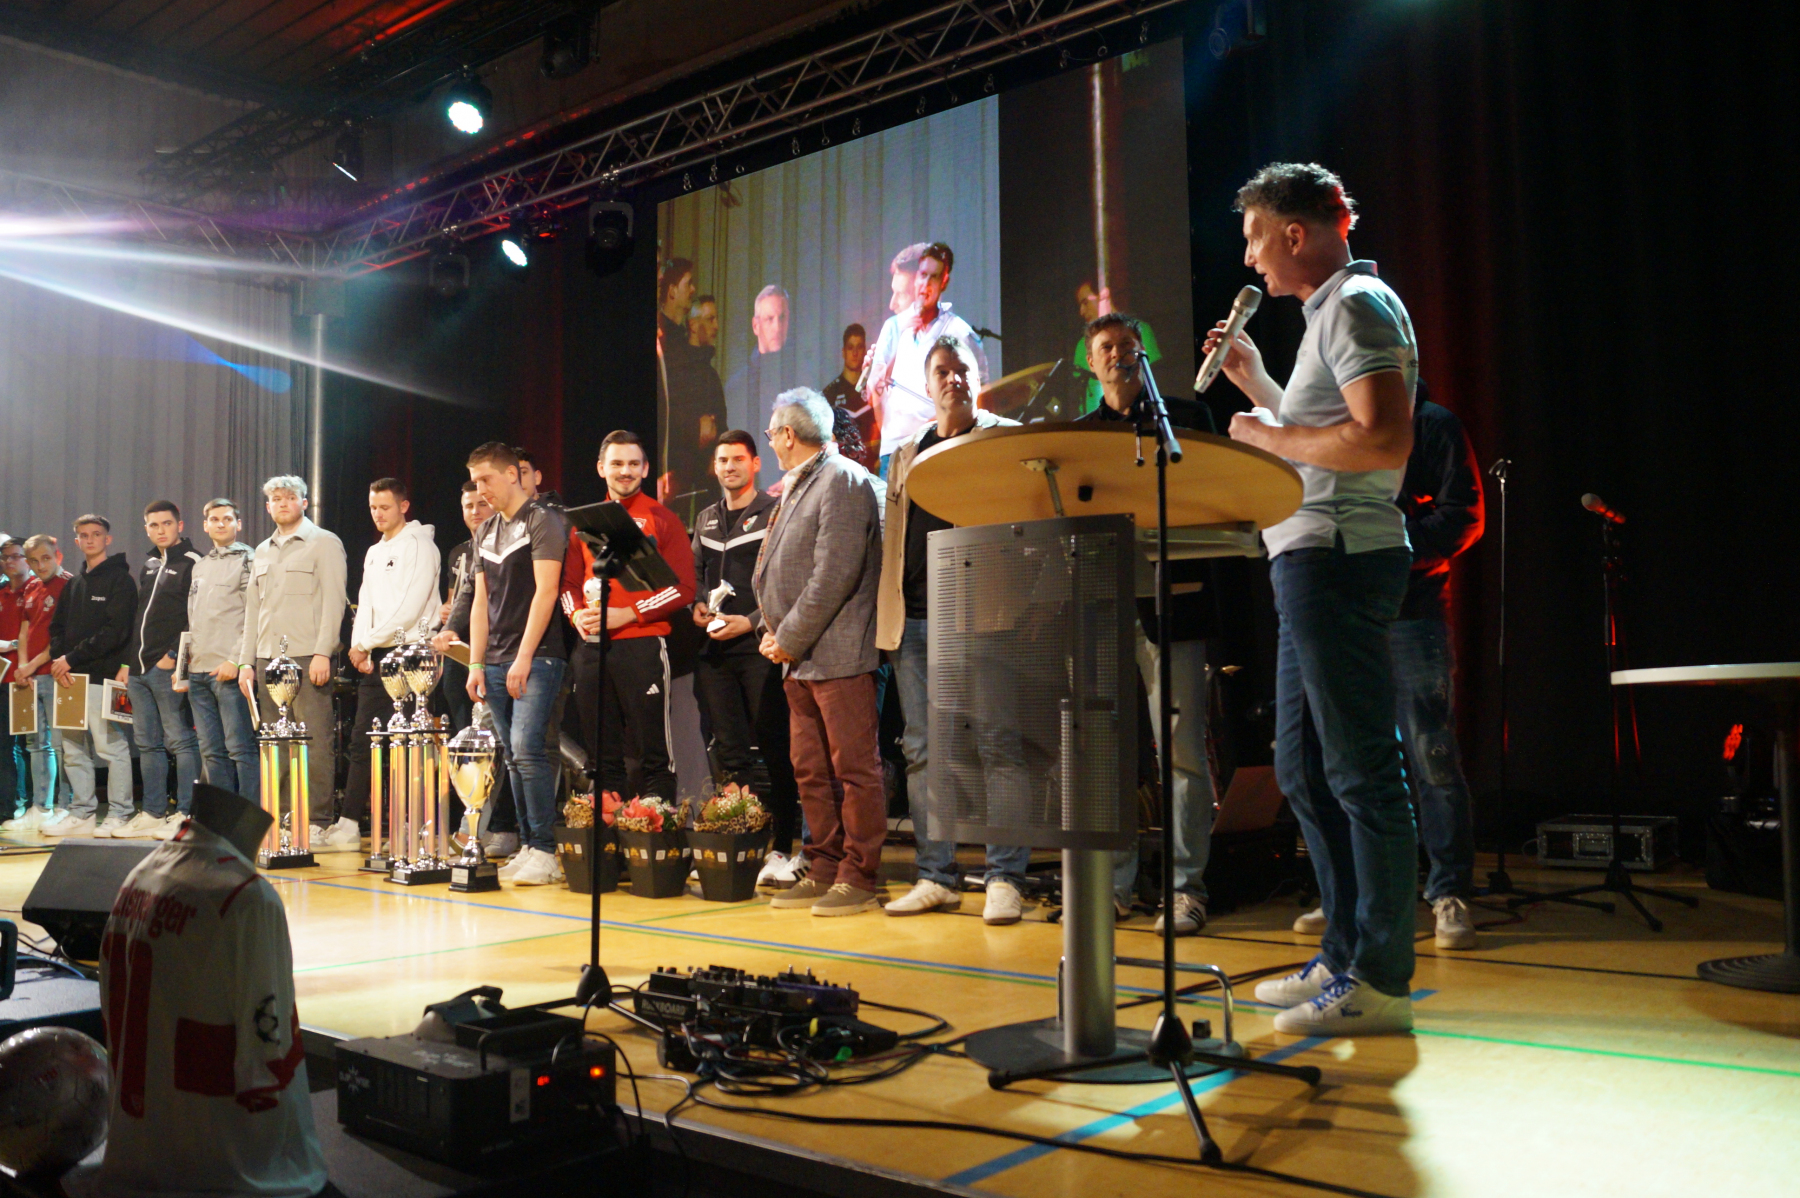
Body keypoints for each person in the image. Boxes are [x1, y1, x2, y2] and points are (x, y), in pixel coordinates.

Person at [1213, 163, 1419, 1036]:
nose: (1250, 258)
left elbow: (1382, 440)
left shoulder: (1357, 306)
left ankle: (1381, 976)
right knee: (1302, 770)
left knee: (1362, 771)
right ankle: (1343, 955)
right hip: (1306, 559)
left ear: (1295, 233)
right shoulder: (1328, 313)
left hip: (1337, 557)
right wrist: (1261, 385)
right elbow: (1323, 433)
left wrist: (1267, 435)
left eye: (1256, 237)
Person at [1291, 382, 1486, 950]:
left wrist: (1387, 552)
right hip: (1340, 615)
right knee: (1338, 759)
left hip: (1410, 611)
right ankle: (1349, 898)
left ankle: (1448, 892)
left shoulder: (1433, 423)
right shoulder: (1333, 420)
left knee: (1431, 755)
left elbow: (1465, 516)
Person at [876, 336, 1031, 925]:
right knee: (924, 751)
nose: (952, 378)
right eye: (941, 370)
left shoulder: (1005, 438)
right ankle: (935, 876)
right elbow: (895, 536)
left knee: (997, 745)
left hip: (985, 617)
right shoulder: (907, 452)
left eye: (961, 368)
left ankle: (1005, 877)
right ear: (927, 382)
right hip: (915, 619)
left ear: (977, 376)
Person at [1078, 312, 1221, 936]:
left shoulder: (1184, 421)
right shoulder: (1079, 437)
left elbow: (1214, 500)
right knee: (1106, 754)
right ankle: (1115, 887)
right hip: (1103, 610)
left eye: (1127, 346)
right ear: (1091, 362)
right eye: (1106, 347)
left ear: (1144, 356)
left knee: (1181, 753)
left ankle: (1186, 890)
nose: (1118, 354)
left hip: (1175, 608)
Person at [755, 389, 886, 917]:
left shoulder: (842, 479)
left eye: (771, 433)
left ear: (788, 435)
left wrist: (787, 635)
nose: (770, 441)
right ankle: (824, 866)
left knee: (853, 770)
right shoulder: (802, 482)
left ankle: (859, 875)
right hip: (800, 656)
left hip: (839, 652)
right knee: (810, 770)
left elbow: (834, 574)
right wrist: (773, 631)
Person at [689, 431, 803, 886]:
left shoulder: (775, 511)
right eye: (722, 460)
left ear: (756, 464)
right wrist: (698, 605)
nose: (729, 466)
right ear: (714, 466)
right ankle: (740, 839)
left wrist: (752, 621)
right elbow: (696, 574)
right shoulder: (706, 518)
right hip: (714, 653)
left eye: (738, 459)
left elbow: (787, 578)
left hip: (760, 647)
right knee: (729, 751)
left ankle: (781, 847)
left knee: (776, 750)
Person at [566, 431, 696, 806]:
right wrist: (577, 615)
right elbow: (568, 586)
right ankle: (608, 835)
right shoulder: (583, 522)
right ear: (601, 468)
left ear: (646, 468)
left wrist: (629, 613)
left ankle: (656, 835)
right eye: (617, 463)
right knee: (602, 760)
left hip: (643, 645)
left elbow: (685, 588)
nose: (625, 471)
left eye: (633, 464)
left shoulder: (663, 518)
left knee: (653, 755)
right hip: (591, 651)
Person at [465, 442, 571, 887]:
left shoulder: (542, 519)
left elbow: (547, 591)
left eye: (486, 479)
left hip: (537, 654)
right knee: (511, 756)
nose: (480, 490)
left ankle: (545, 850)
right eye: (475, 482)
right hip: (494, 658)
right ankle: (528, 845)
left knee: (529, 750)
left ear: (512, 474)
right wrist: (475, 663)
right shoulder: (485, 531)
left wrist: (524, 656)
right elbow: (480, 602)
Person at [238, 476, 348, 847]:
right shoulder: (262, 550)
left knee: (314, 739)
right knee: (277, 742)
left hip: (306, 655)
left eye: (290, 497)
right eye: (275, 498)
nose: (282, 503)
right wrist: (246, 662)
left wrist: (323, 651)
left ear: (304, 502)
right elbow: (253, 609)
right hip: (266, 657)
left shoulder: (324, 542)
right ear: (267, 506)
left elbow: (334, 600)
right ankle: (283, 819)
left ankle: (316, 820)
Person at [341, 479, 441, 850]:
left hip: (413, 653)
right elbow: (364, 601)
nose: (378, 514)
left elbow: (410, 608)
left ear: (403, 506)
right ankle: (349, 824)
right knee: (363, 738)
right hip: (378, 653)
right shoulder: (373, 551)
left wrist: (365, 643)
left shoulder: (421, 545)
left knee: (412, 740)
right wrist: (361, 647)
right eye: (373, 507)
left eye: (385, 507)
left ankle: (416, 826)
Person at [111, 501, 204, 838]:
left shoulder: (194, 562)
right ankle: (152, 812)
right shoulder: (149, 565)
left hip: (167, 667)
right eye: (154, 525)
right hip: (138, 669)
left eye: (166, 523)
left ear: (180, 525)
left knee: (180, 740)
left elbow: (197, 616)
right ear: (146, 528)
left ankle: (186, 813)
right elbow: (139, 618)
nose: (160, 530)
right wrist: (127, 662)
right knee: (147, 744)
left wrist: (174, 655)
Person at [42, 516, 136, 838]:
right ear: (77, 541)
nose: (90, 539)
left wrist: (71, 658)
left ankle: (120, 813)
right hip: (69, 679)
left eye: (96, 534)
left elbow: (117, 631)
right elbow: (56, 628)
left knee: (111, 748)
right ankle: (81, 812)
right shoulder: (74, 584)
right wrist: (61, 660)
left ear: (107, 539)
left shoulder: (121, 581)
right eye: (84, 535)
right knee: (72, 749)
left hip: (105, 677)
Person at [861, 242, 990, 472]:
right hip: (894, 451)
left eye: (934, 277)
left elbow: (981, 391)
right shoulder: (893, 327)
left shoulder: (959, 331)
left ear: (944, 282)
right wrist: (888, 434)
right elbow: (874, 388)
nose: (926, 284)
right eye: (922, 275)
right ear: (915, 278)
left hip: (940, 446)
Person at [184, 499, 260, 823]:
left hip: (228, 671)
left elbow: (254, 614)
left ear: (238, 524)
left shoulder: (249, 559)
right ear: (205, 525)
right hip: (198, 671)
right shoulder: (199, 566)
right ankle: (222, 822)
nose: (220, 524)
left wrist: (237, 660)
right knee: (211, 751)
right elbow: (193, 619)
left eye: (227, 519)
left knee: (240, 748)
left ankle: (249, 822)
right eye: (214, 519)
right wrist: (184, 668)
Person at [7, 535, 74, 830]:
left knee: (63, 745)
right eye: (33, 560)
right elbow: (25, 631)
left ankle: (67, 807)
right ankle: (41, 807)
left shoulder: (68, 585)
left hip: (56, 673)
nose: (40, 565)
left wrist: (32, 665)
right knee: (36, 744)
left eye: (46, 558)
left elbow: (62, 637)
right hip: (31, 677)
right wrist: (23, 667)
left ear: (57, 556)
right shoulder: (32, 587)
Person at [1070, 282, 1162, 417]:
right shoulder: (1081, 346)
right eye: (1106, 347)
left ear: (1104, 295)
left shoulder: (1143, 330)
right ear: (1090, 362)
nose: (1082, 311)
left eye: (1085, 302)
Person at [0, 538, 32, 821]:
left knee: (31, 746)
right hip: (2, 680)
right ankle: (6, 807)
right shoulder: (2, 592)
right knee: (4, 747)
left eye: (15, 556)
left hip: (27, 679)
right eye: (5, 557)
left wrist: (11, 645)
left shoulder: (35, 589)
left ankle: (36, 805)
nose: (9, 561)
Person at [822, 324, 877, 472]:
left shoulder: (875, 388)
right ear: (843, 352)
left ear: (865, 351)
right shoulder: (829, 394)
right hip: (842, 471)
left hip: (874, 470)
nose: (855, 353)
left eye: (859, 347)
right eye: (850, 347)